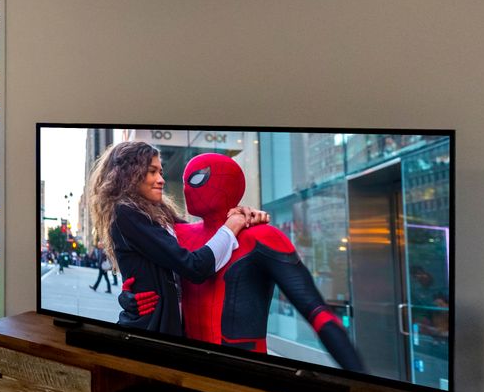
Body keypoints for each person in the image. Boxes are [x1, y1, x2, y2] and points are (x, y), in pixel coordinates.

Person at [123, 152, 367, 373]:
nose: (186, 188)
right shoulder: (178, 234)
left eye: (196, 179)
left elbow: (317, 312)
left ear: (229, 182)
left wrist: (361, 383)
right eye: (184, 180)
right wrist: (130, 297)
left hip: (244, 372)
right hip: (185, 366)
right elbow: (141, 267)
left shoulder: (260, 237)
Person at [81, 141, 250, 336]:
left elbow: (200, 235)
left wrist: (242, 215)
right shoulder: (126, 213)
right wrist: (231, 226)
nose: (161, 179)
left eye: (160, 172)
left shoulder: (157, 212)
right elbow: (193, 266)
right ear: (129, 174)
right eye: (152, 172)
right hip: (148, 333)